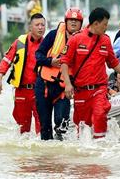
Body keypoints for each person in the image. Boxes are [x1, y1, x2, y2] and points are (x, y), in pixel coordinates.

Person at [60, 7, 120, 139]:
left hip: (99, 89)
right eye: (104, 25)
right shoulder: (76, 39)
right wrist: (68, 85)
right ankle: (85, 155)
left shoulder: (105, 40)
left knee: (99, 115)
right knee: (83, 127)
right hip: (81, 91)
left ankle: (101, 149)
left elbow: (114, 63)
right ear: (95, 24)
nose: (106, 27)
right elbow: (64, 62)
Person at [35, 7, 83, 140]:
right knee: (45, 127)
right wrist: (50, 61)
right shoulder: (53, 35)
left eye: (76, 21)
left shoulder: (82, 40)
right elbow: (38, 55)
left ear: (81, 23)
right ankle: (47, 159)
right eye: (71, 20)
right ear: (66, 22)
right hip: (44, 85)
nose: (73, 23)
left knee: (62, 126)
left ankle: (61, 157)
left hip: (64, 88)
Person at [0, 13, 46, 134]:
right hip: (22, 90)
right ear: (30, 27)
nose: (40, 27)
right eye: (37, 25)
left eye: (43, 25)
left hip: (40, 90)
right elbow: (6, 60)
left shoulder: (48, 44)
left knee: (42, 127)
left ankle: (43, 153)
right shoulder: (20, 42)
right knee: (23, 129)